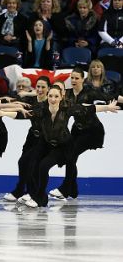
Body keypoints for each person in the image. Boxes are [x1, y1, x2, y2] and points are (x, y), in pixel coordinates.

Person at [0, 85, 119, 208]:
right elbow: (22, 115)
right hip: (46, 144)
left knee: (43, 166)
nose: (53, 99)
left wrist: (107, 107)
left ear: (61, 97)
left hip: (63, 147)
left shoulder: (67, 108)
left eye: (56, 96)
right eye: (50, 96)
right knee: (31, 162)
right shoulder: (41, 109)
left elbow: (89, 109)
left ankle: (39, 199)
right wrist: (2, 113)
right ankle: (34, 195)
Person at [49, 67, 122, 200]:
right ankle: (73, 190)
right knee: (70, 157)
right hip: (77, 130)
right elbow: (49, 95)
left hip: (93, 131)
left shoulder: (90, 92)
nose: (73, 80)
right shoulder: (67, 93)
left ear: (83, 79)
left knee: (71, 155)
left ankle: (65, 190)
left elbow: (111, 97)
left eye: (77, 78)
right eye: (72, 77)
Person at [3, 76, 51, 202]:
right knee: (22, 162)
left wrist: (4, 113)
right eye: (38, 87)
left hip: (44, 139)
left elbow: (24, 114)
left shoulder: (50, 103)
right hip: (32, 137)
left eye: (43, 87)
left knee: (33, 165)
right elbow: (15, 100)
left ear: (49, 89)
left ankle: (33, 193)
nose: (40, 89)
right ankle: (22, 190)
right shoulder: (32, 99)